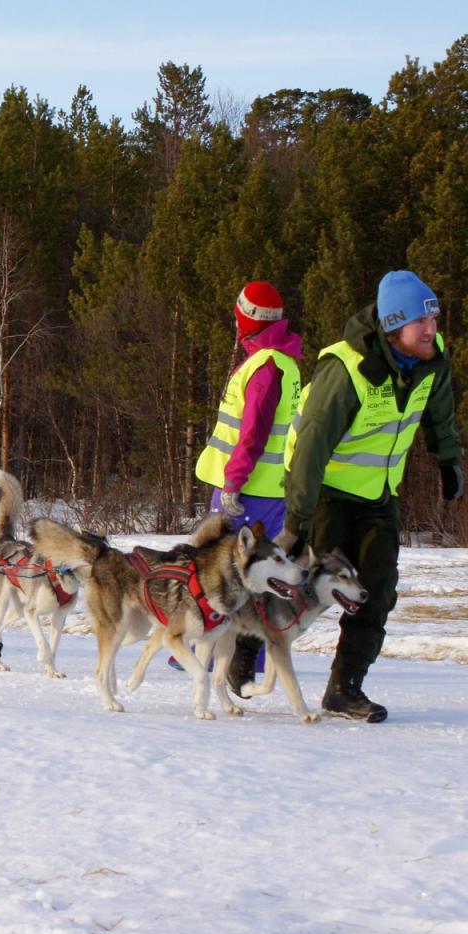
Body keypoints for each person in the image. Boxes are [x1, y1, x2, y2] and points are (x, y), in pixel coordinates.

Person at [281, 270, 462, 723]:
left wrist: (448, 459)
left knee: (375, 591)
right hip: (324, 493)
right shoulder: (346, 370)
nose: (431, 330)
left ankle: (345, 688)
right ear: (393, 324)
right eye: (421, 322)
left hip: (378, 496)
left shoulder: (431, 360)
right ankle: (246, 647)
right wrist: (297, 523)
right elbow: (311, 448)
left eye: (434, 319)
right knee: (304, 585)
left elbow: (439, 412)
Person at [194, 280, 303, 694]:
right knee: (251, 575)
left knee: (226, 571)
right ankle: (238, 656)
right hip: (267, 487)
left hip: (249, 490)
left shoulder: (267, 367)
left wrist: (234, 483)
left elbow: (252, 434)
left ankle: (215, 655)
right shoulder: (283, 362)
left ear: (248, 320)